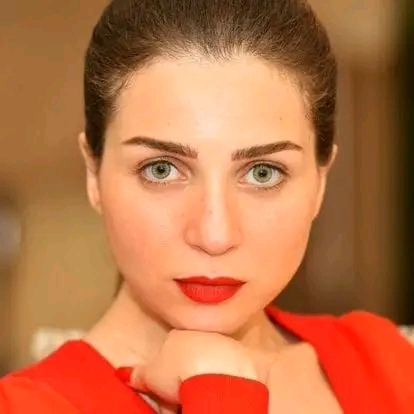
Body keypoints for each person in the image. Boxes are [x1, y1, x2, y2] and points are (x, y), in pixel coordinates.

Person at [1, 0, 413, 412]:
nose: (215, 235)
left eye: (263, 173)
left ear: (320, 182)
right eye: (161, 169)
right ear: (94, 173)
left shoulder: (388, 364)